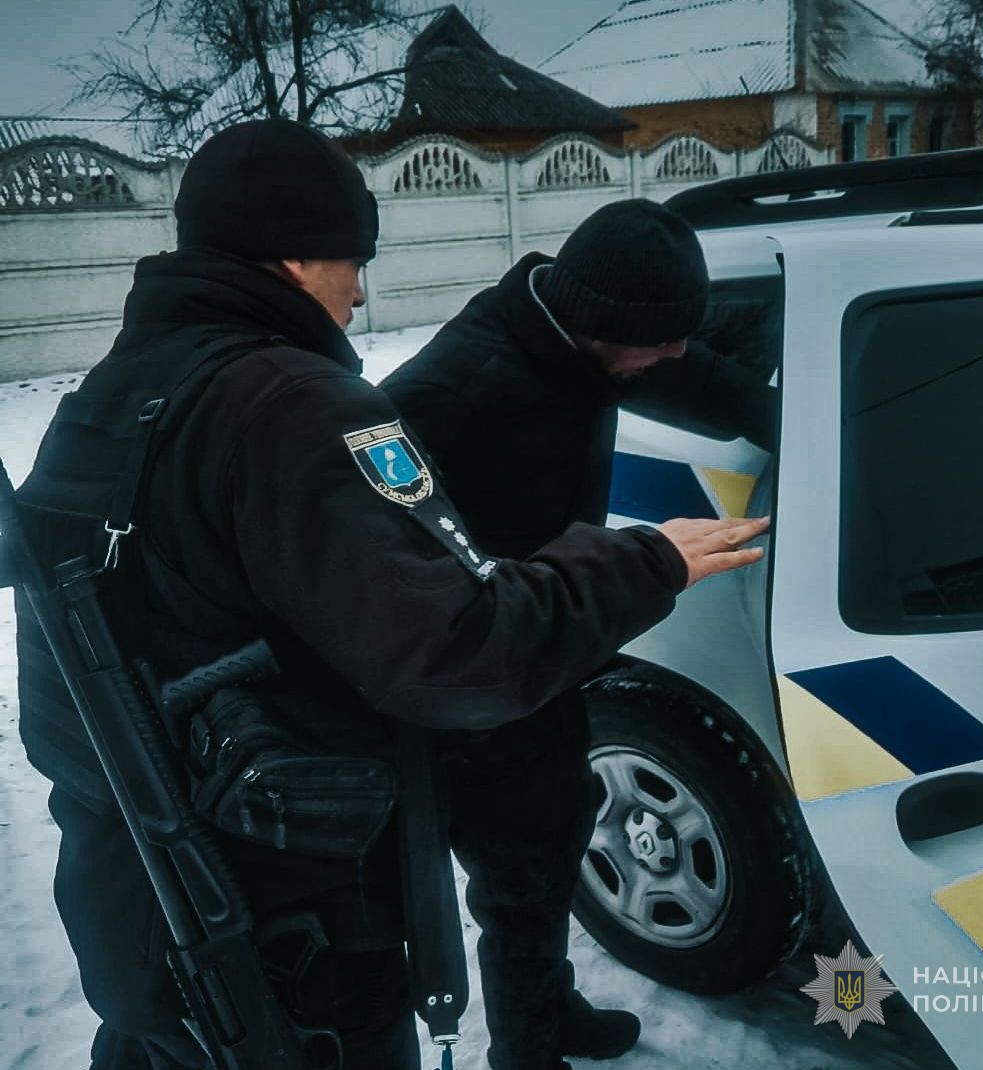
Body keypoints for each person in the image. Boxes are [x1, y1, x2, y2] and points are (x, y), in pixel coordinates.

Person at [13, 121, 769, 1070]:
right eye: (353, 261)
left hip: (141, 898)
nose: (361, 293)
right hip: (284, 918)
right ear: (293, 255)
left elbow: (66, 689)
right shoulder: (296, 406)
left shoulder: (106, 399)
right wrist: (646, 563)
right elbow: (449, 649)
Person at [379, 198, 776, 1070]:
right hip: (475, 676)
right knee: (519, 876)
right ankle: (528, 1052)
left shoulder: (584, 341)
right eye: (660, 341)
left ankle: (549, 1011)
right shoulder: (452, 392)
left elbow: (699, 376)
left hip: (548, 649)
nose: (673, 355)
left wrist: (805, 423)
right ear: (607, 325)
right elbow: (381, 551)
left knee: (556, 841)